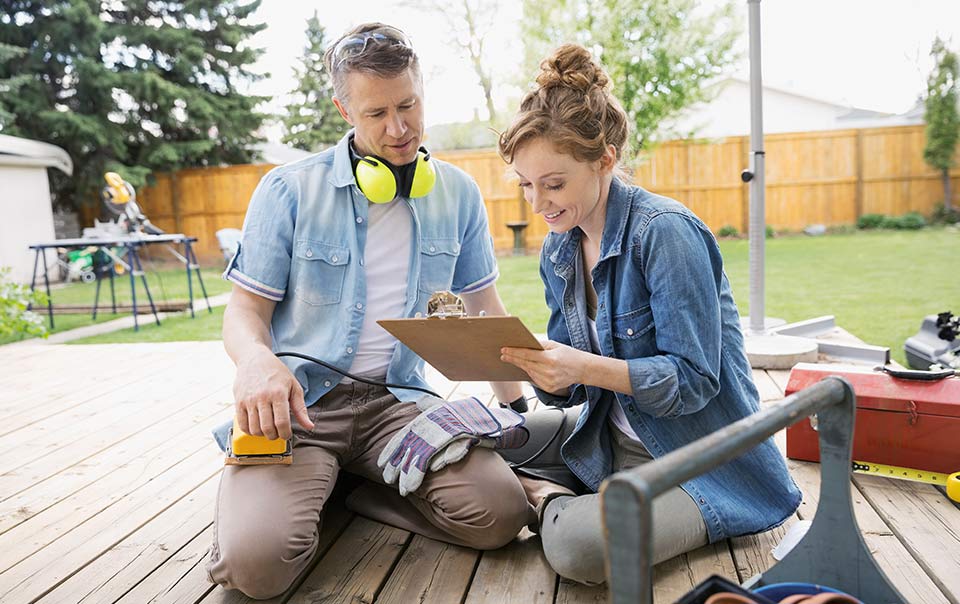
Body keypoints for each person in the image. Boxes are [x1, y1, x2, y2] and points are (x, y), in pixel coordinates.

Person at [205, 23, 531, 599]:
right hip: (302, 409)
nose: (399, 128)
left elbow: (484, 311)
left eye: (408, 104)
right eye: (377, 113)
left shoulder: (457, 193)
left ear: (422, 91)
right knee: (255, 570)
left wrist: (520, 411)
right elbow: (244, 311)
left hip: (398, 407)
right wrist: (255, 360)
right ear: (343, 109)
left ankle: (357, 491)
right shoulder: (287, 191)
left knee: (501, 514)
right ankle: (294, 487)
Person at [496, 44, 801, 585]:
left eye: (554, 183)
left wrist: (581, 368)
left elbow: (695, 381)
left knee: (579, 548)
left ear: (605, 160)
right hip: (608, 436)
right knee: (480, 441)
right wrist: (539, 366)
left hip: (697, 461)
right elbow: (567, 392)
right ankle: (554, 490)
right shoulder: (559, 248)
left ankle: (543, 498)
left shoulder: (664, 233)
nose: (538, 203)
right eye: (526, 185)